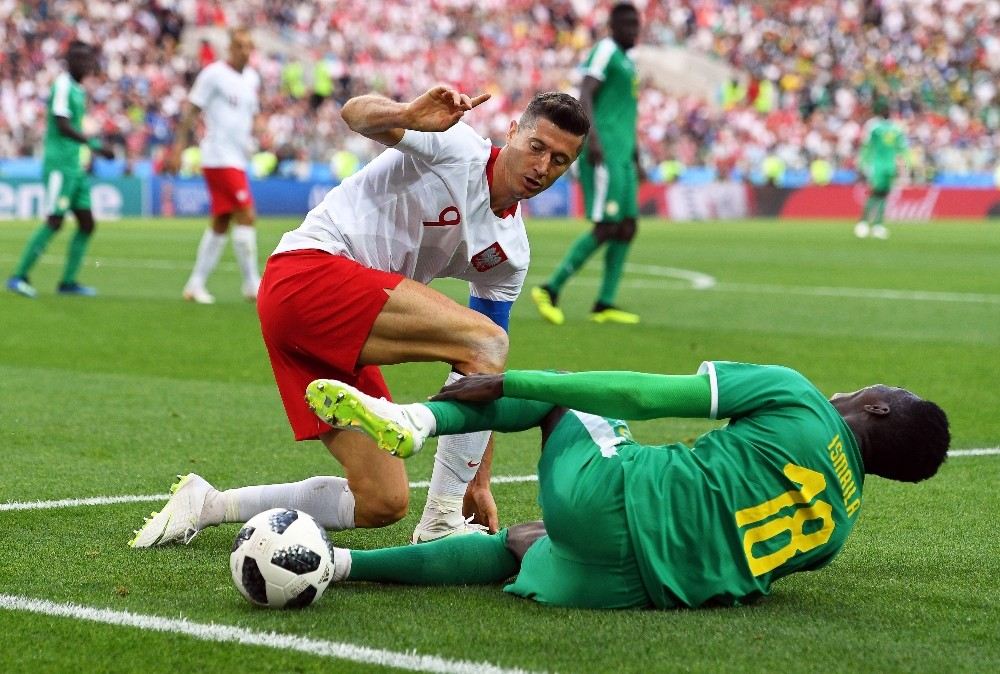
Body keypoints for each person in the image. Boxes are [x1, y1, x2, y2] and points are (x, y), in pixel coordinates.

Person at [129, 86, 589, 549]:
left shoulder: (511, 252)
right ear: (512, 132)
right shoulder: (458, 145)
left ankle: (209, 504)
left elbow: (485, 375)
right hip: (306, 273)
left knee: (382, 500)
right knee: (484, 341)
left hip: (336, 318)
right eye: (537, 147)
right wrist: (408, 113)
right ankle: (441, 523)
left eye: (560, 161)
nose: (543, 167)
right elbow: (354, 113)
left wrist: (478, 480)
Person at [302, 360, 949, 609]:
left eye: (892, 387)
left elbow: (643, 393)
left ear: (882, 409)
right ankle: (337, 565)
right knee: (521, 539)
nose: (873, 384)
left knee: (561, 394)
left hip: (615, 499)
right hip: (628, 585)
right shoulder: (839, 528)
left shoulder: (801, 399)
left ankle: (413, 421)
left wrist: (514, 383)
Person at [532, 2, 643, 326]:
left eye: (637, 25)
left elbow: (622, 111)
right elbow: (586, 91)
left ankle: (604, 302)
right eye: (629, 26)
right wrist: (590, 138)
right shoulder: (606, 50)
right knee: (606, 226)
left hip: (623, 155)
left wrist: (634, 150)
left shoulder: (627, 61)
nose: (635, 31)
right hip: (604, 153)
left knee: (627, 227)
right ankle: (550, 288)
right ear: (614, 27)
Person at [7, 41, 114, 299]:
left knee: (87, 223)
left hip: (75, 166)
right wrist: (93, 144)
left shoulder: (77, 89)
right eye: (85, 62)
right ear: (73, 63)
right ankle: (18, 276)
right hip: (60, 166)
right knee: (54, 220)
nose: (89, 67)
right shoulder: (64, 85)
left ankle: (68, 282)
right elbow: (62, 124)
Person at [164, 28, 262, 305]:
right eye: (240, 46)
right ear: (229, 48)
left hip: (238, 157)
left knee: (221, 221)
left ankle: (195, 284)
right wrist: (178, 148)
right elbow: (191, 110)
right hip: (218, 156)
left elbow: (250, 114)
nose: (244, 51)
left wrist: (257, 134)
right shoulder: (214, 74)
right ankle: (252, 284)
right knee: (247, 214)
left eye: (248, 46)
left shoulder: (252, 78)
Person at [854, 98, 908, 240]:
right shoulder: (873, 126)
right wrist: (863, 163)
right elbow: (866, 146)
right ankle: (863, 222)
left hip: (889, 165)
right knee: (874, 192)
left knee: (884, 194)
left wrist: (902, 167)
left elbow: (901, 149)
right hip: (876, 164)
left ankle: (878, 224)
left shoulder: (896, 127)